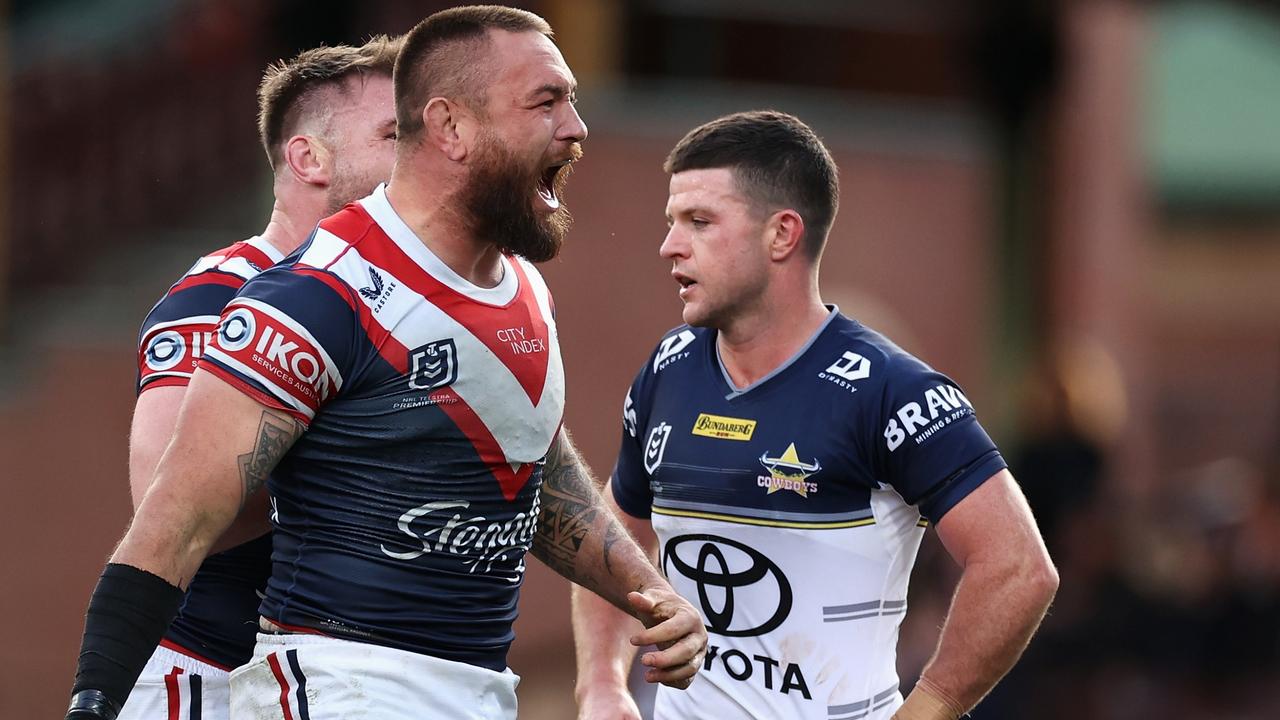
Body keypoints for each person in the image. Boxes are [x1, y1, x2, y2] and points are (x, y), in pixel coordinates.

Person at [65, 7, 705, 720]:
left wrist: (651, 594)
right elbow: (173, 512)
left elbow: (533, 469)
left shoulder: (519, 284)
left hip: (474, 686)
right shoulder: (296, 293)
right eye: (547, 101)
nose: (578, 127)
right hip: (280, 678)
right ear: (451, 127)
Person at [572, 111, 1059, 720]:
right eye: (671, 221)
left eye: (699, 221)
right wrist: (600, 685)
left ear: (782, 235)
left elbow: (1018, 567)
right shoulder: (669, 369)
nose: (670, 244)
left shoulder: (891, 389)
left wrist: (930, 707)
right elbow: (613, 538)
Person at [120, 36, 401, 720]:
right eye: (398, 134)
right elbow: (165, 495)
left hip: (332, 684)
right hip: (213, 681)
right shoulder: (218, 296)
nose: (428, 154)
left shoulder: (391, 303)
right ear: (309, 158)